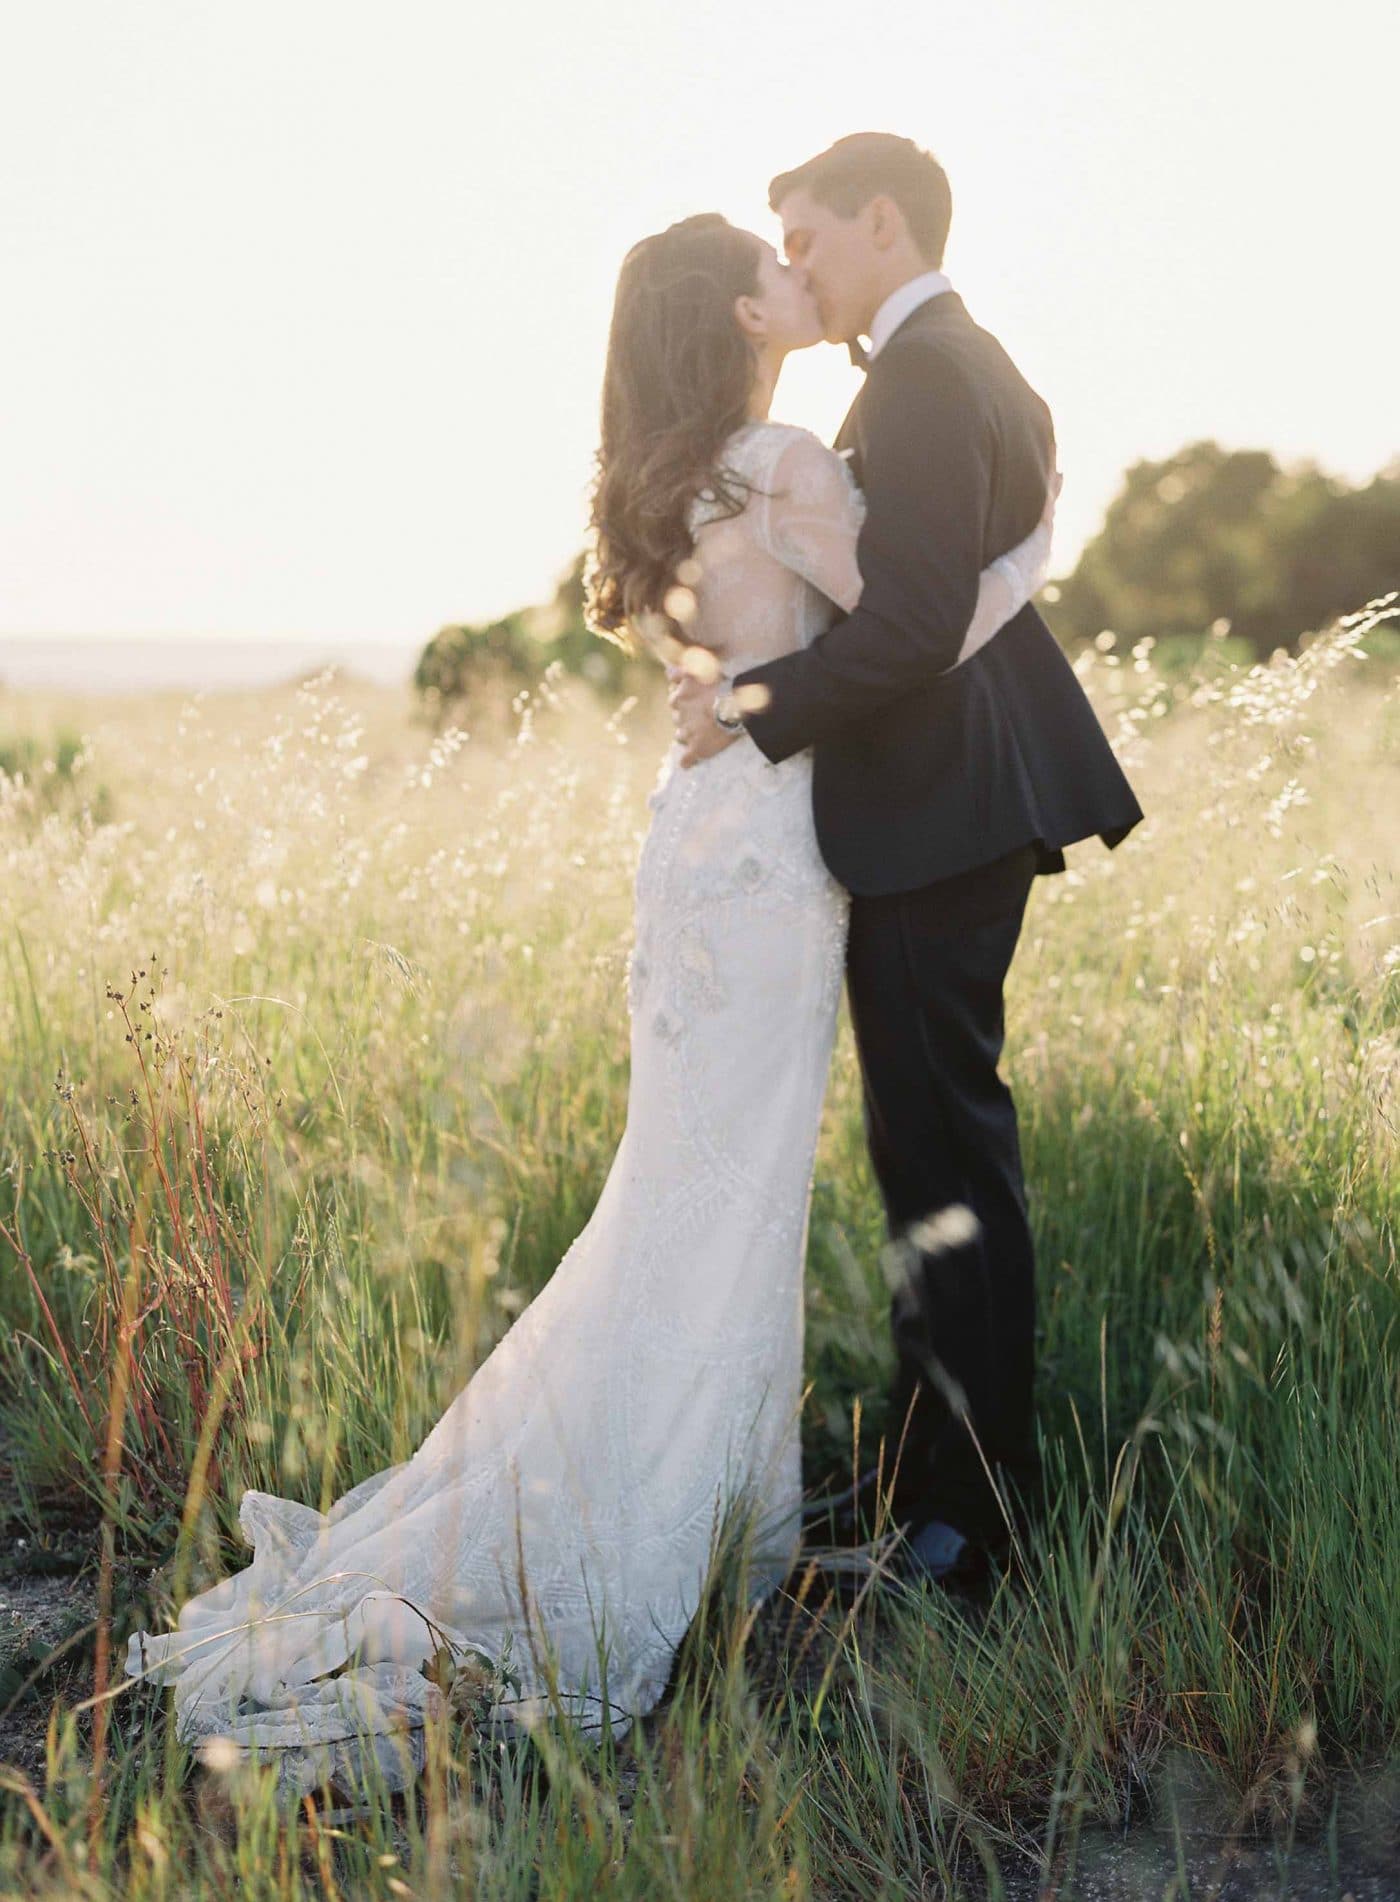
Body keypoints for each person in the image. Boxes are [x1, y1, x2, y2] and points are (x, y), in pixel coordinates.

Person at [122, 209, 1054, 1798]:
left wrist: (746, 690)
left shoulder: (668, 470)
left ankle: (708, 1505)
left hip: (694, 853)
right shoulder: (780, 458)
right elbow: (926, 618)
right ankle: (668, 1530)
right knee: (724, 1200)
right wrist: (1040, 541)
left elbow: (772, 648)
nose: (788, 276)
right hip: (769, 862)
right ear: (729, 314)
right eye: (760, 268)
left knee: (680, 1194)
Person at [671, 135, 1143, 1587]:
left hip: (945, 812)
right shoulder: (954, 363)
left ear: (884, 223)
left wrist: (748, 709)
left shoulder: (931, 376)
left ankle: (973, 1519)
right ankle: (937, 1479)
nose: (797, 265)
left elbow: (918, 623)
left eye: (810, 236)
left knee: (946, 1157)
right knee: (930, 1151)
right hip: (952, 807)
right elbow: (964, 586)